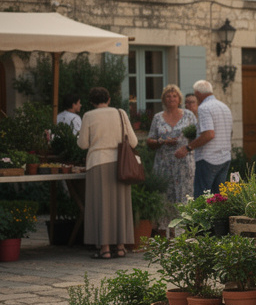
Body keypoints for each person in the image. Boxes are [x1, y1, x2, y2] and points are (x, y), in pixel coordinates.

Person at [76, 86, 138, 260]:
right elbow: (132, 141)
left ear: (91, 102)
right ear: (109, 99)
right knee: (120, 204)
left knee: (101, 205)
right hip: (120, 163)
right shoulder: (120, 113)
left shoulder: (88, 115)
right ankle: (120, 247)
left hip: (98, 162)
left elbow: (82, 144)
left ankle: (104, 249)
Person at [177, 79, 232, 197]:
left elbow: (209, 134)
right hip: (225, 157)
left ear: (198, 93)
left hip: (208, 159)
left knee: (202, 199)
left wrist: (188, 147)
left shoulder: (204, 108)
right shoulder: (224, 107)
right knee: (219, 199)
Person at [145, 84, 197, 209]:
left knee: (186, 195)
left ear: (179, 99)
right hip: (164, 164)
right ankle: (165, 227)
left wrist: (188, 146)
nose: (171, 98)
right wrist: (161, 141)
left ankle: (185, 227)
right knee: (164, 197)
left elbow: (197, 136)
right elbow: (149, 140)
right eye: (168, 96)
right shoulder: (158, 117)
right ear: (163, 99)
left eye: (174, 96)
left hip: (184, 163)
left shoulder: (189, 115)